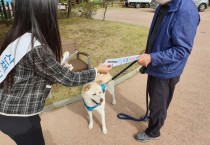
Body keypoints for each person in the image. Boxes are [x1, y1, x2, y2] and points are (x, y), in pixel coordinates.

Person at [0, 0, 111, 145]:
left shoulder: (16, 37)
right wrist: (97, 70)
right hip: (17, 113)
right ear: (43, 13)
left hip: (9, 107)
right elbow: (69, 79)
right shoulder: (36, 48)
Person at [136, 0, 200, 142]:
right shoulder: (163, 4)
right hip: (157, 63)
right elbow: (158, 33)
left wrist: (153, 57)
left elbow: (182, 50)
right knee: (155, 98)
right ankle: (154, 117)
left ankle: (153, 132)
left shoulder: (186, 12)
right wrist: (149, 50)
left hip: (167, 69)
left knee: (159, 102)